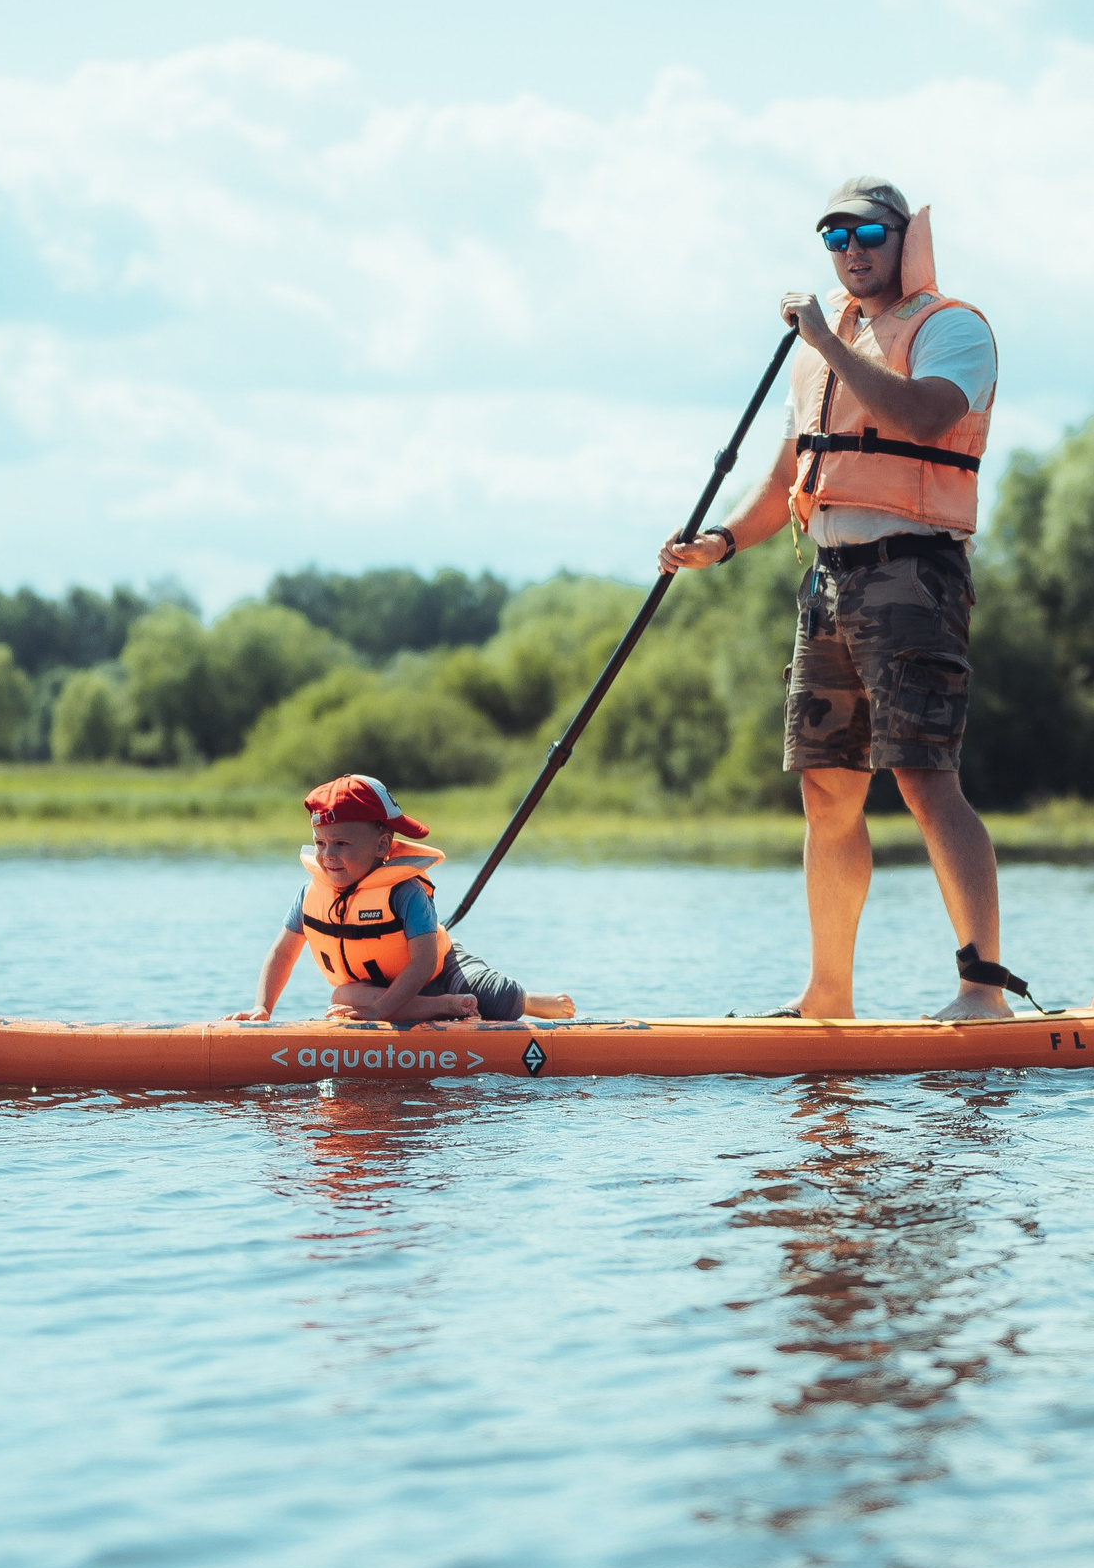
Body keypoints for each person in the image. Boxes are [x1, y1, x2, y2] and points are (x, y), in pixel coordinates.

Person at [658, 175, 1028, 1022]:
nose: (850, 251)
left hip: (913, 573)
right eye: (834, 237)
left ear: (903, 239)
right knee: (826, 790)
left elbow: (925, 420)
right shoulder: (827, 344)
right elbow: (794, 469)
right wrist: (720, 541)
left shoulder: (952, 329)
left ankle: (982, 990)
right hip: (827, 581)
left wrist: (825, 338)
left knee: (925, 776)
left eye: (866, 234)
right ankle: (829, 995)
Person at [239, 775, 576, 1024]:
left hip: (440, 972)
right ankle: (445, 1006)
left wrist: (377, 1013)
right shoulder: (310, 893)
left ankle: (530, 1001)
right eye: (321, 843)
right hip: (386, 996)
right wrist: (263, 1007)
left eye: (342, 844)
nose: (328, 855)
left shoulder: (406, 892)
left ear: (383, 846)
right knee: (342, 996)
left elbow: (425, 962)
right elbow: (283, 952)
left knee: (500, 1002)